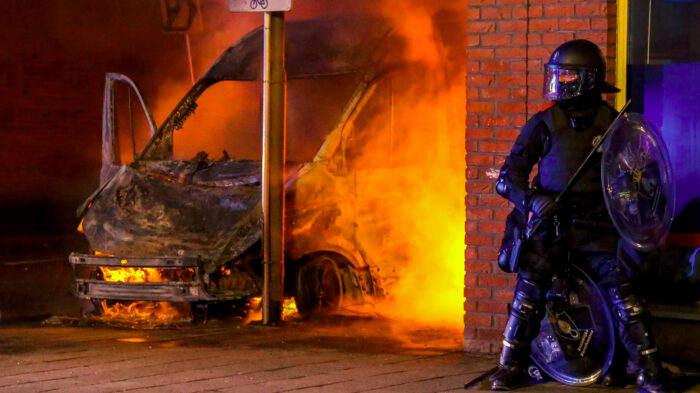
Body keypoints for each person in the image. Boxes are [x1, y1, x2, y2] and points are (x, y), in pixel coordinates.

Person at [488, 39, 669, 393]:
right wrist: (534, 200)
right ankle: (511, 366)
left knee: (626, 298)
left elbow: (644, 180)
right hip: (551, 226)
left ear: (589, 79)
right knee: (529, 293)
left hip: (600, 228)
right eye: (560, 76)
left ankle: (650, 370)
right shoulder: (544, 122)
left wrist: (633, 207)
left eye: (570, 76)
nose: (563, 83)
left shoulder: (617, 125)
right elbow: (508, 179)